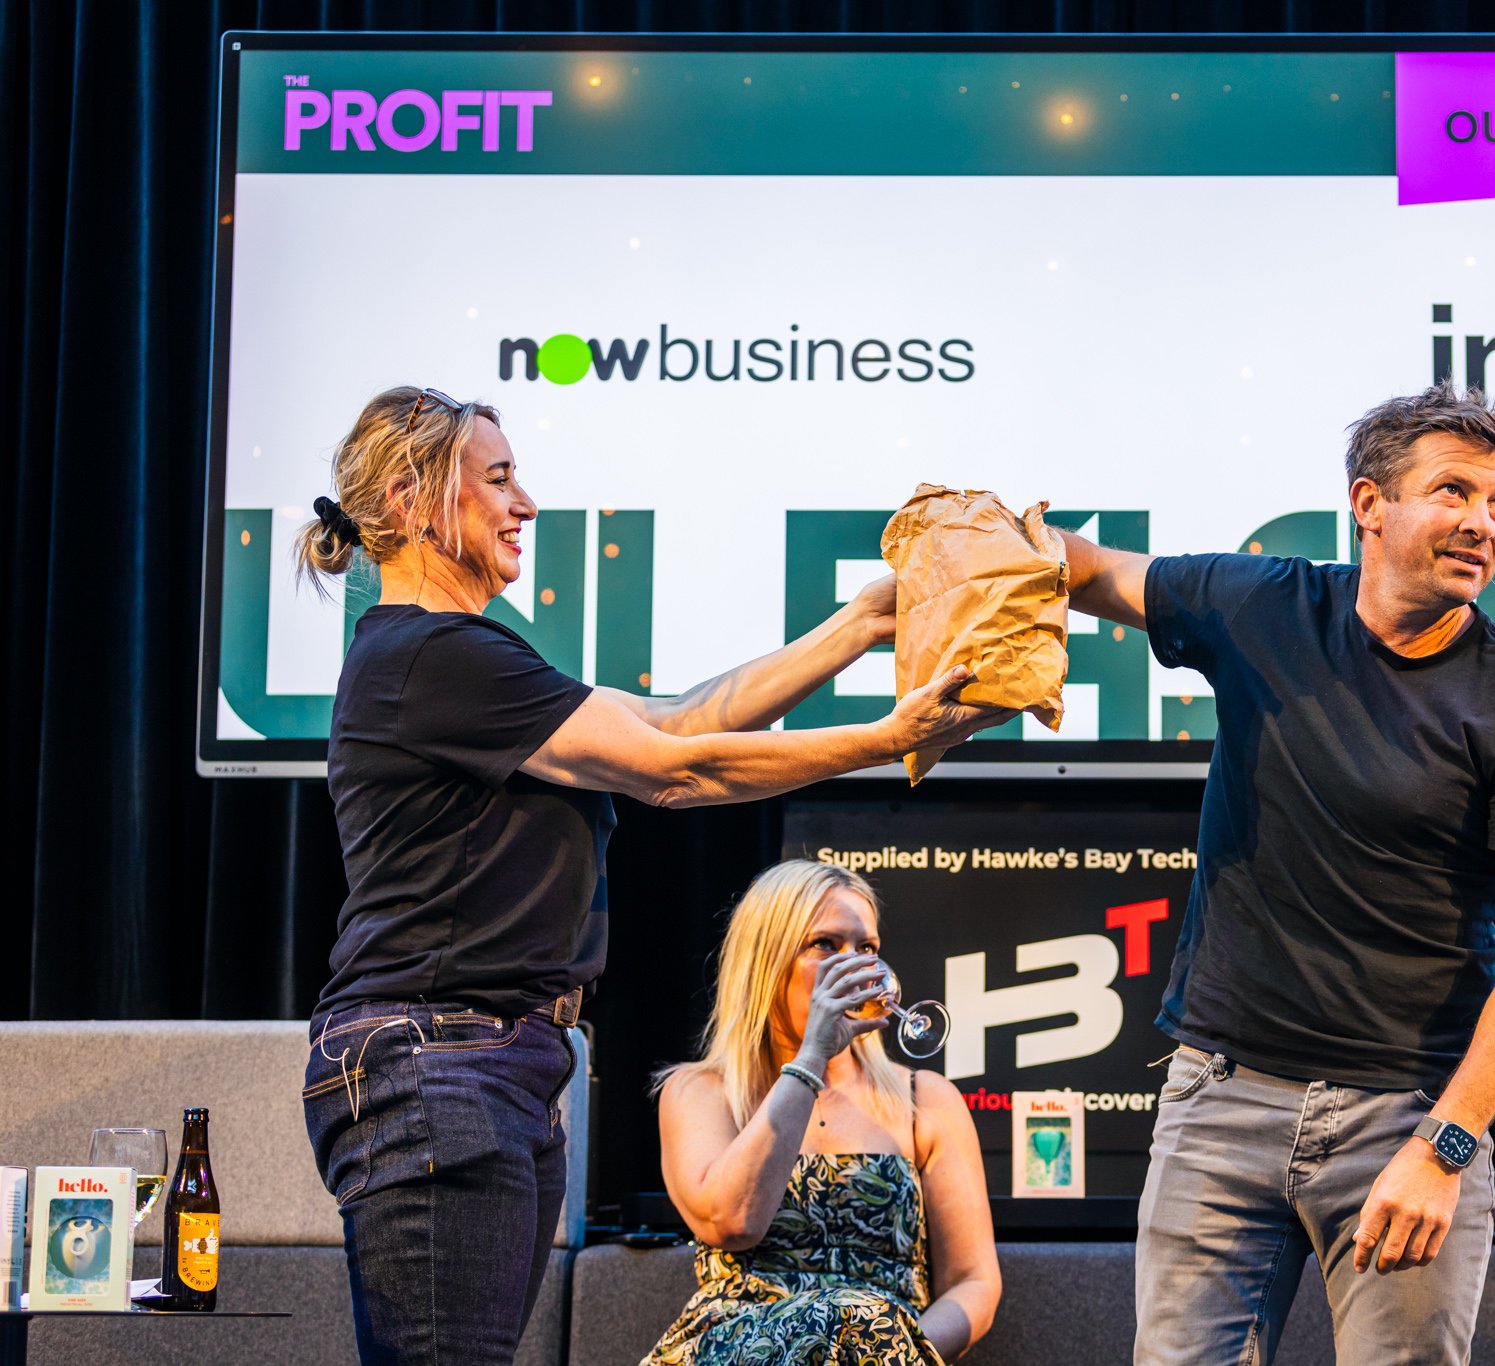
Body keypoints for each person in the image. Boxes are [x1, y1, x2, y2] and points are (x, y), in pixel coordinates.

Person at [295, 386, 1010, 1366]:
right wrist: (889, 738)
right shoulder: (432, 654)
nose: (525, 503)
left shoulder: (462, 658)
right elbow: (676, 771)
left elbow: (677, 720)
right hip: (441, 1062)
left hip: (488, 1065)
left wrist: (853, 627)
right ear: (411, 498)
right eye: (498, 479)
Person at [1060, 379, 1495, 1365]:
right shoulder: (1262, 607)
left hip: (1407, 1114)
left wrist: (1446, 1146)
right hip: (1221, 1096)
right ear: (1369, 504)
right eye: (1452, 492)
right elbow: (1089, 572)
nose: (1481, 523)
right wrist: (980, 542)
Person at [641, 859, 1000, 1365]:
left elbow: (974, 1281)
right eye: (825, 945)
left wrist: (888, 1348)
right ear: (767, 960)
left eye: (866, 948)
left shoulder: (924, 1099)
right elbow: (733, 1222)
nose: (856, 967)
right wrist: (811, 1060)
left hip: (884, 1351)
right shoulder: (702, 1091)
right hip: (743, 1347)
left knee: (849, 1316)